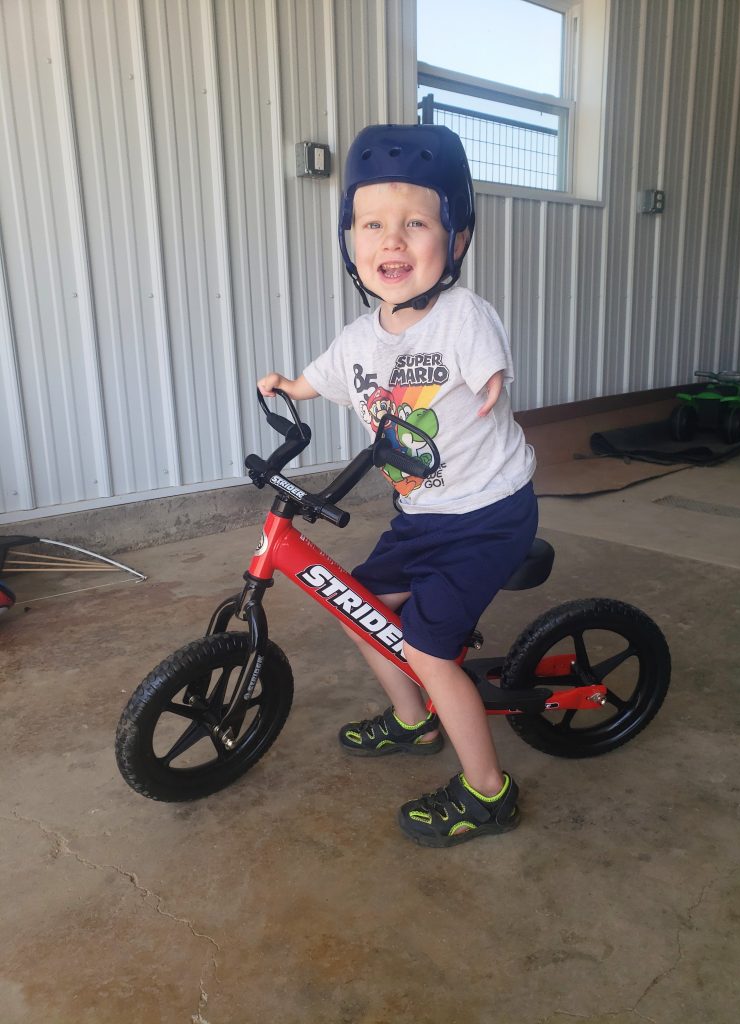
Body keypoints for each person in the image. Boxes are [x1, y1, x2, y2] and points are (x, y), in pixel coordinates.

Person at [258, 124, 537, 847]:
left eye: (417, 224)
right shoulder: (360, 337)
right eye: (373, 224)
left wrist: (494, 377)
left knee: (427, 649)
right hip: (422, 512)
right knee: (361, 608)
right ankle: (414, 724)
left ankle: (488, 792)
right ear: (349, 240)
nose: (394, 241)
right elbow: (322, 379)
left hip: (487, 514)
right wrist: (290, 386)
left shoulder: (463, 318)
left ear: (457, 240)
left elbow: (487, 359)